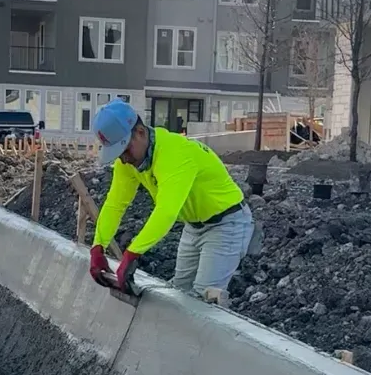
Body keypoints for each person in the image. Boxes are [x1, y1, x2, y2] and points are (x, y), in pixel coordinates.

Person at [89, 99, 255, 305]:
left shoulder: (174, 153)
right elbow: (115, 204)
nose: (123, 159)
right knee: (179, 293)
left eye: (124, 149)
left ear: (140, 132)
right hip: (194, 226)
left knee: (203, 301)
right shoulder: (129, 162)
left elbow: (166, 211)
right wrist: (98, 246)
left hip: (227, 223)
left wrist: (132, 254)